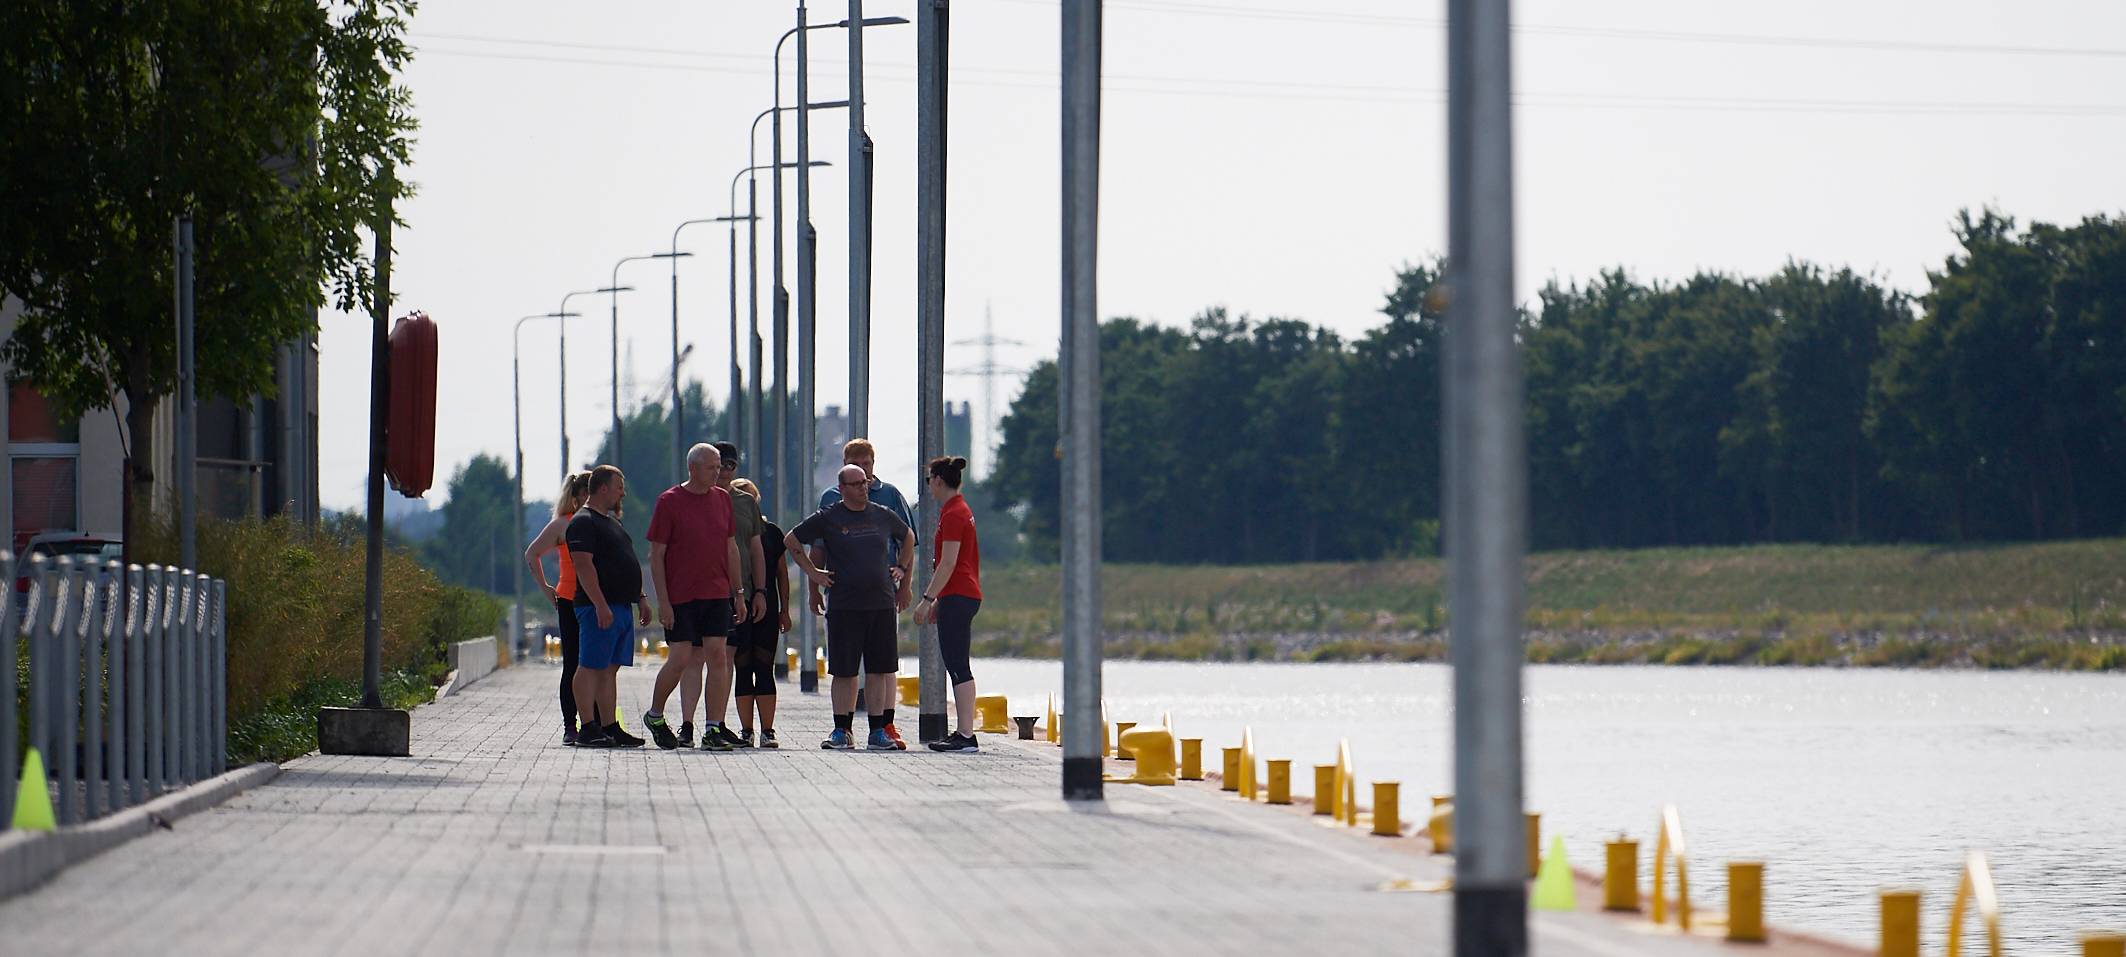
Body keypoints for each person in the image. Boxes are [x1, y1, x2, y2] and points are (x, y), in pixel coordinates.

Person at [789, 464, 914, 751]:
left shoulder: (882, 514)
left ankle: (877, 730)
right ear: (842, 488)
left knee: (879, 670)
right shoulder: (829, 517)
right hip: (844, 605)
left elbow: (907, 536)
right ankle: (841, 730)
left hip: (881, 603)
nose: (863, 487)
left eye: (865, 482)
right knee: (844, 671)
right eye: (856, 483)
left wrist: (903, 569)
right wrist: (814, 574)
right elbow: (792, 540)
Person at [640, 444, 744, 751]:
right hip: (682, 595)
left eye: (720, 467)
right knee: (681, 659)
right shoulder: (669, 502)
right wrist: (664, 602)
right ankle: (655, 714)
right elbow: (656, 554)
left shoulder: (723, 499)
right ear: (693, 469)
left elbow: (731, 547)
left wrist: (738, 593)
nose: (718, 473)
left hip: (716, 592)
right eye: (711, 467)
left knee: (718, 656)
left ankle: (713, 727)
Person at [566, 464, 651, 749]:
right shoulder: (583, 522)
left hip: (621, 606)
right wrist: (600, 605)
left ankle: (609, 726)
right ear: (603, 488)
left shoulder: (612, 521)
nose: (622, 493)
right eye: (619, 487)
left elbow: (626, 560)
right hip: (597, 608)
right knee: (590, 665)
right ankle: (587, 727)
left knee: (609, 668)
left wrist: (641, 597)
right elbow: (583, 566)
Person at [698, 440, 767, 749]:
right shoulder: (693, 499)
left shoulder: (744, 503)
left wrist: (760, 591)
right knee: (691, 658)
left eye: (730, 465)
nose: (724, 470)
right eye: (718, 464)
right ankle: (689, 722)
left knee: (726, 658)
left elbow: (755, 549)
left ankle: (717, 723)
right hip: (701, 588)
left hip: (738, 591)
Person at [914, 456, 983, 752]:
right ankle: (964, 731)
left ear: (939, 481)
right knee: (956, 662)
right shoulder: (957, 510)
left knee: (957, 664)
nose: (929, 487)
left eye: (929, 481)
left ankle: (966, 734)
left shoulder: (954, 513)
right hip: (958, 595)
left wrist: (927, 600)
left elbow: (948, 563)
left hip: (959, 593)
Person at [524, 471, 591, 744]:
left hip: (597, 599)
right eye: (586, 493)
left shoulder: (601, 522)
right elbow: (532, 553)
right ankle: (569, 725)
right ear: (575, 497)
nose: (590, 498)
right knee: (573, 663)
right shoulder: (562, 525)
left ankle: (596, 722)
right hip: (570, 599)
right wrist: (546, 588)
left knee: (597, 664)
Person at [730, 478, 790, 748]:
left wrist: (785, 610)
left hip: (767, 607)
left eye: (749, 495)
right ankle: (746, 730)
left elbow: (781, 574)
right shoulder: (730, 530)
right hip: (737, 607)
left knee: (764, 667)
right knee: (742, 667)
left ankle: (768, 730)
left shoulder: (772, 533)